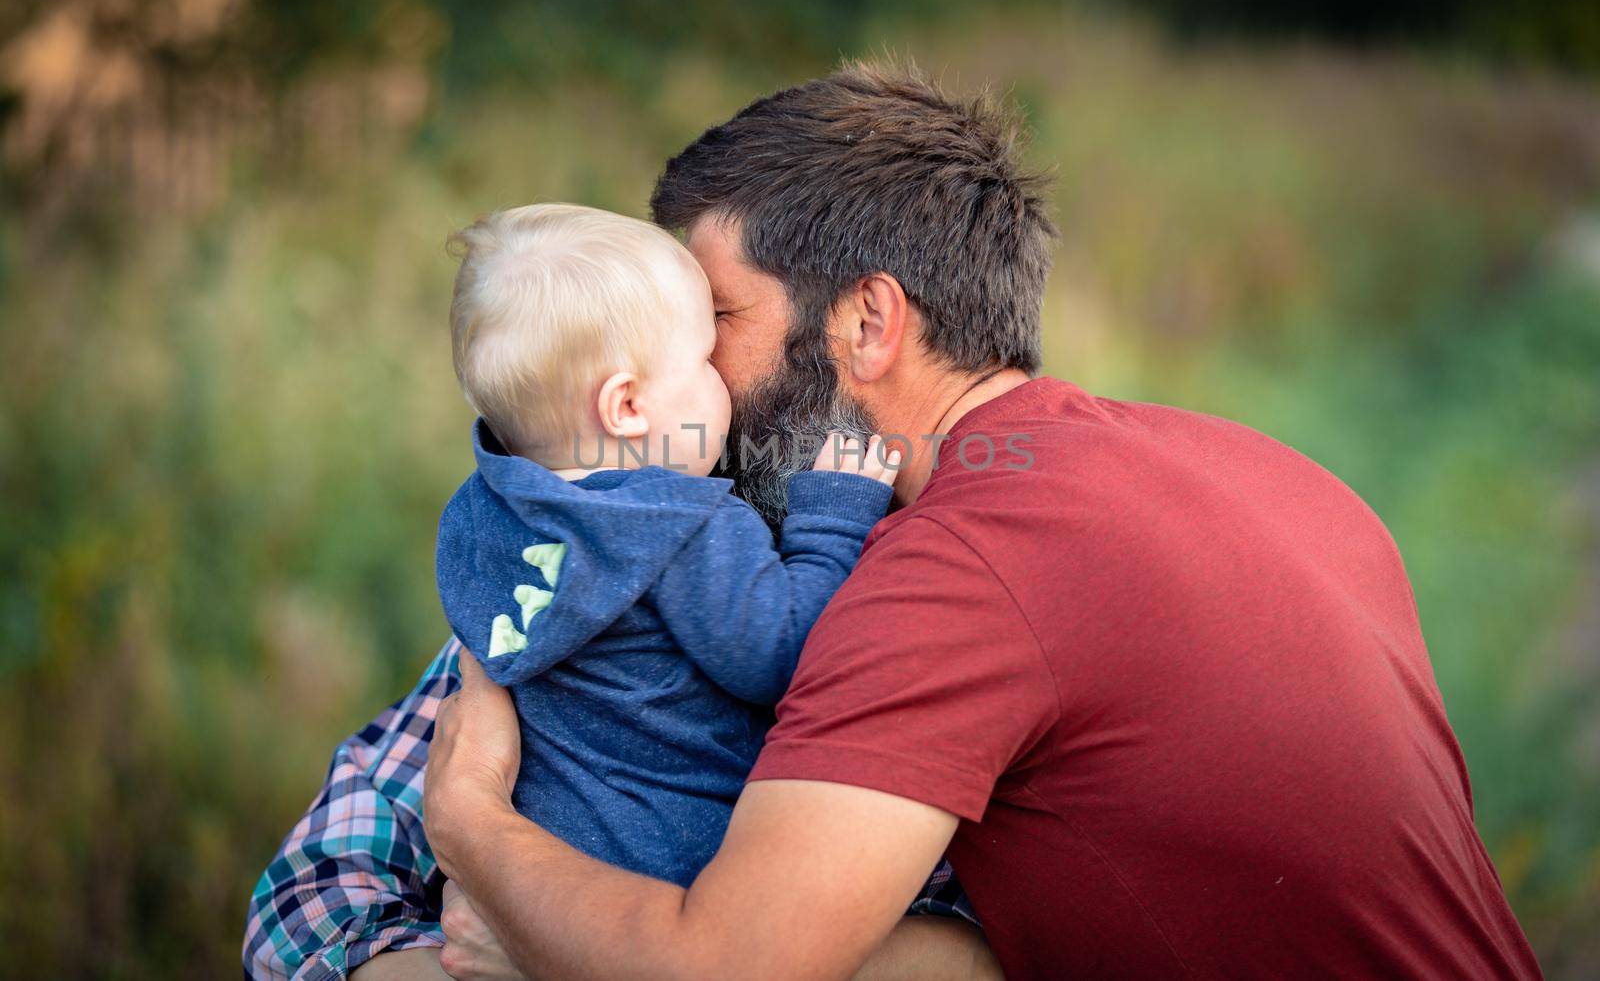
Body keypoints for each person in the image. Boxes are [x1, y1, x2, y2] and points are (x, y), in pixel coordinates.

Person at [248, 62, 1541, 980]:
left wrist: (475, 827)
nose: (678, 375)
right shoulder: (1261, 467)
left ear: (867, 323)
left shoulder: (947, 576)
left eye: (715, 323)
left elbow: (723, 965)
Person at [437, 202, 904, 887]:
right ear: (626, 406)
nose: (722, 379)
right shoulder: (679, 527)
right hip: (673, 863)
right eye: (702, 360)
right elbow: (784, 652)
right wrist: (834, 517)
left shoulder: (482, 518)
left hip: (543, 852)